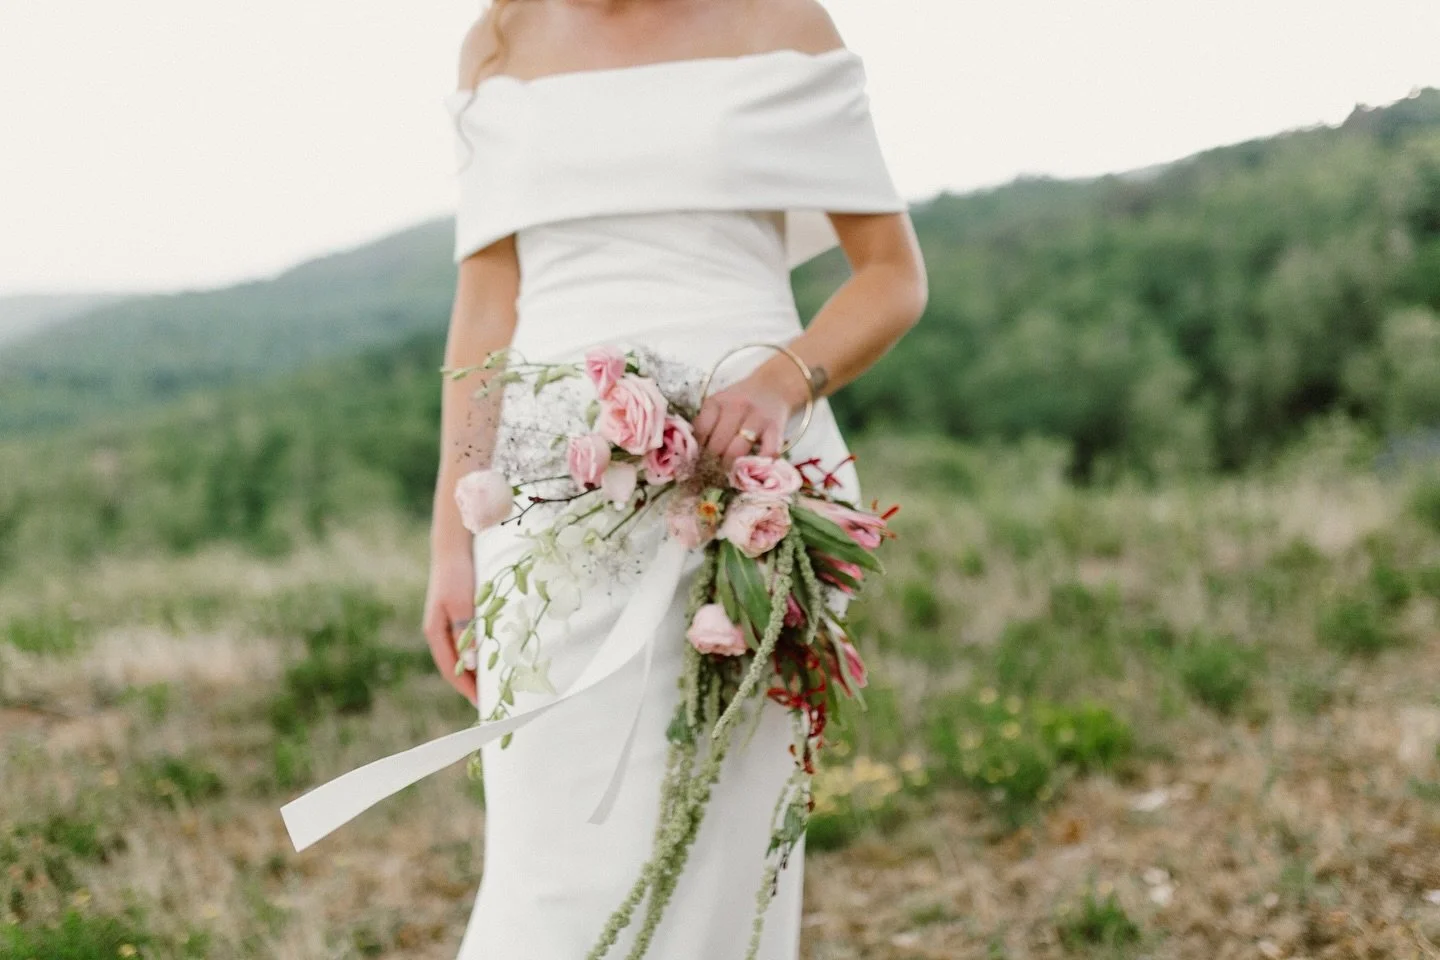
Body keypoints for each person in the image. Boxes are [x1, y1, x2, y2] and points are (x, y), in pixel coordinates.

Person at [422, 1, 927, 956]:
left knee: (714, 862)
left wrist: (782, 381)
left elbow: (893, 276)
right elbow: (486, 312)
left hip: (750, 498)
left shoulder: (783, 23)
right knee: (549, 860)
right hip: (546, 506)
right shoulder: (499, 39)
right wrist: (453, 541)